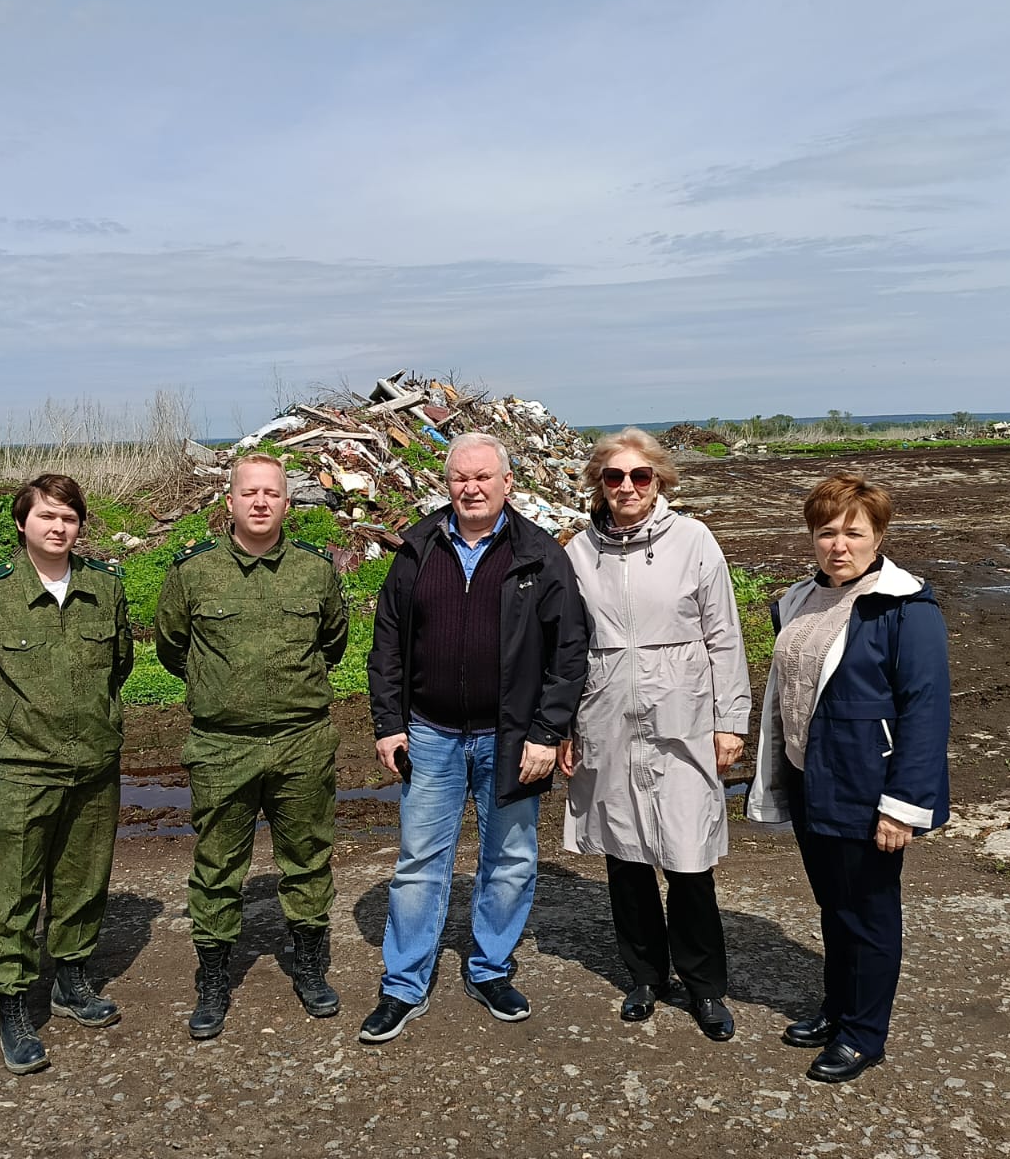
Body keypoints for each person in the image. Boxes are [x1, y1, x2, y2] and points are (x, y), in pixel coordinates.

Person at [358, 432, 589, 1044]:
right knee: (418, 865)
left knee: (510, 861)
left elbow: (569, 652)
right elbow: (386, 644)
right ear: (447, 483)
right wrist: (388, 723)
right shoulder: (418, 550)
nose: (472, 487)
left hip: (511, 739)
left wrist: (547, 731)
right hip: (430, 735)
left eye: (484, 476)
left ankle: (489, 969)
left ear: (507, 482)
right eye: (461, 477)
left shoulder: (539, 555)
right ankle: (404, 984)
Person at [748, 472, 951, 1083]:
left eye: (853, 533)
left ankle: (865, 1034)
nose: (839, 544)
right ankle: (837, 1009)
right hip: (814, 780)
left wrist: (902, 806)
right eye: (826, 532)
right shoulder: (799, 600)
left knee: (869, 911)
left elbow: (926, 709)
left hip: (871, 789)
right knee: (833, 907)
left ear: (879, 535)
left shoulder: (906, 608)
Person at [558, 427, 751, 1041]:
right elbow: (563, 647)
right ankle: (644, 976)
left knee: (688, 859)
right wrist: (563, 723)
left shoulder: (694, 540)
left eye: (640, 476)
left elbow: (724, 635)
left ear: (659, 482)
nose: (627, 487)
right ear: (598, 484)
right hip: (607, 714)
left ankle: (705, 987)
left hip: (682, 716)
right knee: (625, 855)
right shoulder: (578, 553)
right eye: (613, 477)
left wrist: (730, 721)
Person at [154, 453, 349, 1040]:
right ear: (229, 503)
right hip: (222, 747)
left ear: (288, 503)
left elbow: (332, 644)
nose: (260, 502)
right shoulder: (193, 574)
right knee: (217, 866)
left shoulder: (316, 573)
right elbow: (171, 648)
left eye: (272, 493)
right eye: (249, 493)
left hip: (302, 742)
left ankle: (310, 967)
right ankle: (213, 978)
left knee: (308, 859)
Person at [0, 473, 136, 1075]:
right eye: (47, 517)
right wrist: (12, 729)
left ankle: (71, 978)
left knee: (83, 878)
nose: (58, 528)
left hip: (93, 764)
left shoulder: (105, 590)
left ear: (81, 527)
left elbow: (120, 665)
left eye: (70, 518)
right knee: (11, 889)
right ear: (23, 523)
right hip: (21, 769)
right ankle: (12, 1004)